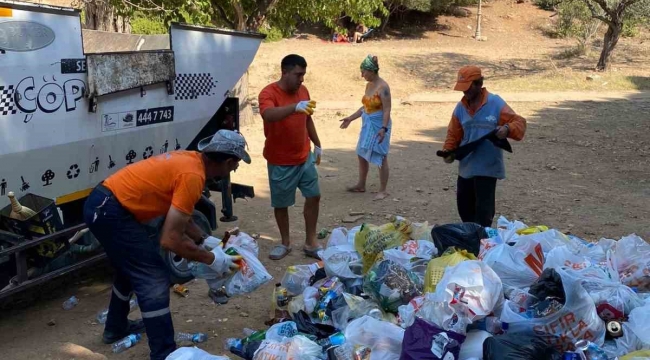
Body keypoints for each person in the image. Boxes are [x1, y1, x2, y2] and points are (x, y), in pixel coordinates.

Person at [83, 130, 250, 360]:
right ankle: (163, 353)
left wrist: (203, 239)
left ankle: (115, 327)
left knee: (130, 268)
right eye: (236, 165)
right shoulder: (193, 175)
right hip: (110, 211)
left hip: (105, 204)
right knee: (154, 278)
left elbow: (180, 212)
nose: (234, 170)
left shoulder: (191, 160)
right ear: (229, 161)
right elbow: (170, 239)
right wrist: (212, 259)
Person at [441, 66, 526, 227]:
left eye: (467, 88)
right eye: (462, 88)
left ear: (478, 84)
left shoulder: (495, 103)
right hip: (466, 169)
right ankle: (472, 241)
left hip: (488, 169)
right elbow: (453, 134)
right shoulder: (460, 108)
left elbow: (519, 123)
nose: (464, 92)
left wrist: (507, 129)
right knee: (465, 210)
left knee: (483, 214)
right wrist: (448, 151)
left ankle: (483, 245)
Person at [258, 54, 323, 261]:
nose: (301, 79)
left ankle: (310, 242)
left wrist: (318, 143)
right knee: (281, 204)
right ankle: (285, 243)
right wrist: (294, 107)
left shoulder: (302, 91)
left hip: (304, 156)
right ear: (284, 72)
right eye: (298, 74)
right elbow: (268, 115)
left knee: (314, 195)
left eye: (303, 75)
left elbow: (307, 120)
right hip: (280, 161)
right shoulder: (268, 93)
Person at [340, 55, 392, 201]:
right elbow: (365, 106)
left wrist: (384, 128)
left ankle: (383, 190)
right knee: (361, 152)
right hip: (368, 123)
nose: (361, 75)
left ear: (371, 71)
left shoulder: (383, 87)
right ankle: (361, 184)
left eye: (363, 71)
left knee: (381, 155)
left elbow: (387, 109)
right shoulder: (369, 85)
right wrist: (351, 118)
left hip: (379, 123)